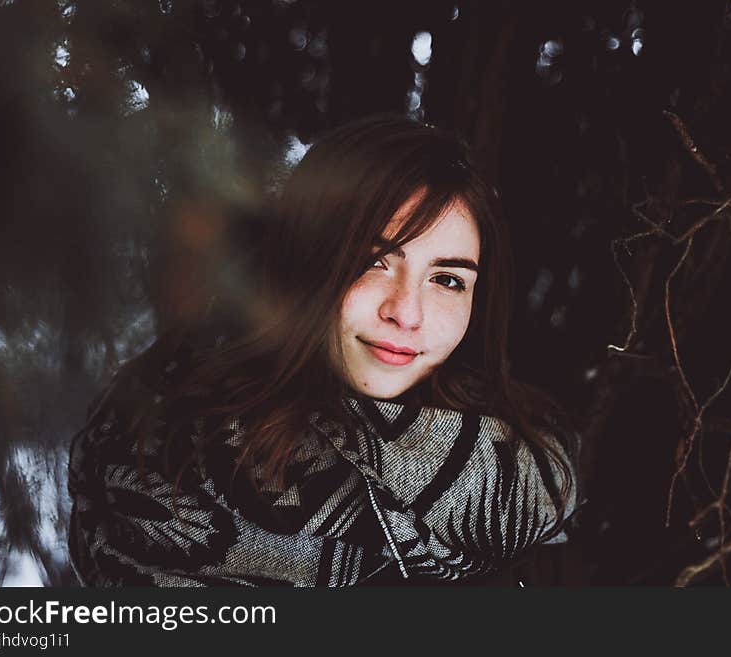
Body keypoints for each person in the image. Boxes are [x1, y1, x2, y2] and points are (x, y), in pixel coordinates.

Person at [67, 114, 580, 586]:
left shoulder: (525, 474)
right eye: (373, 262)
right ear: (305, 263)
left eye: (446, 279)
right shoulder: (149, 453)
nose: (407, 312)